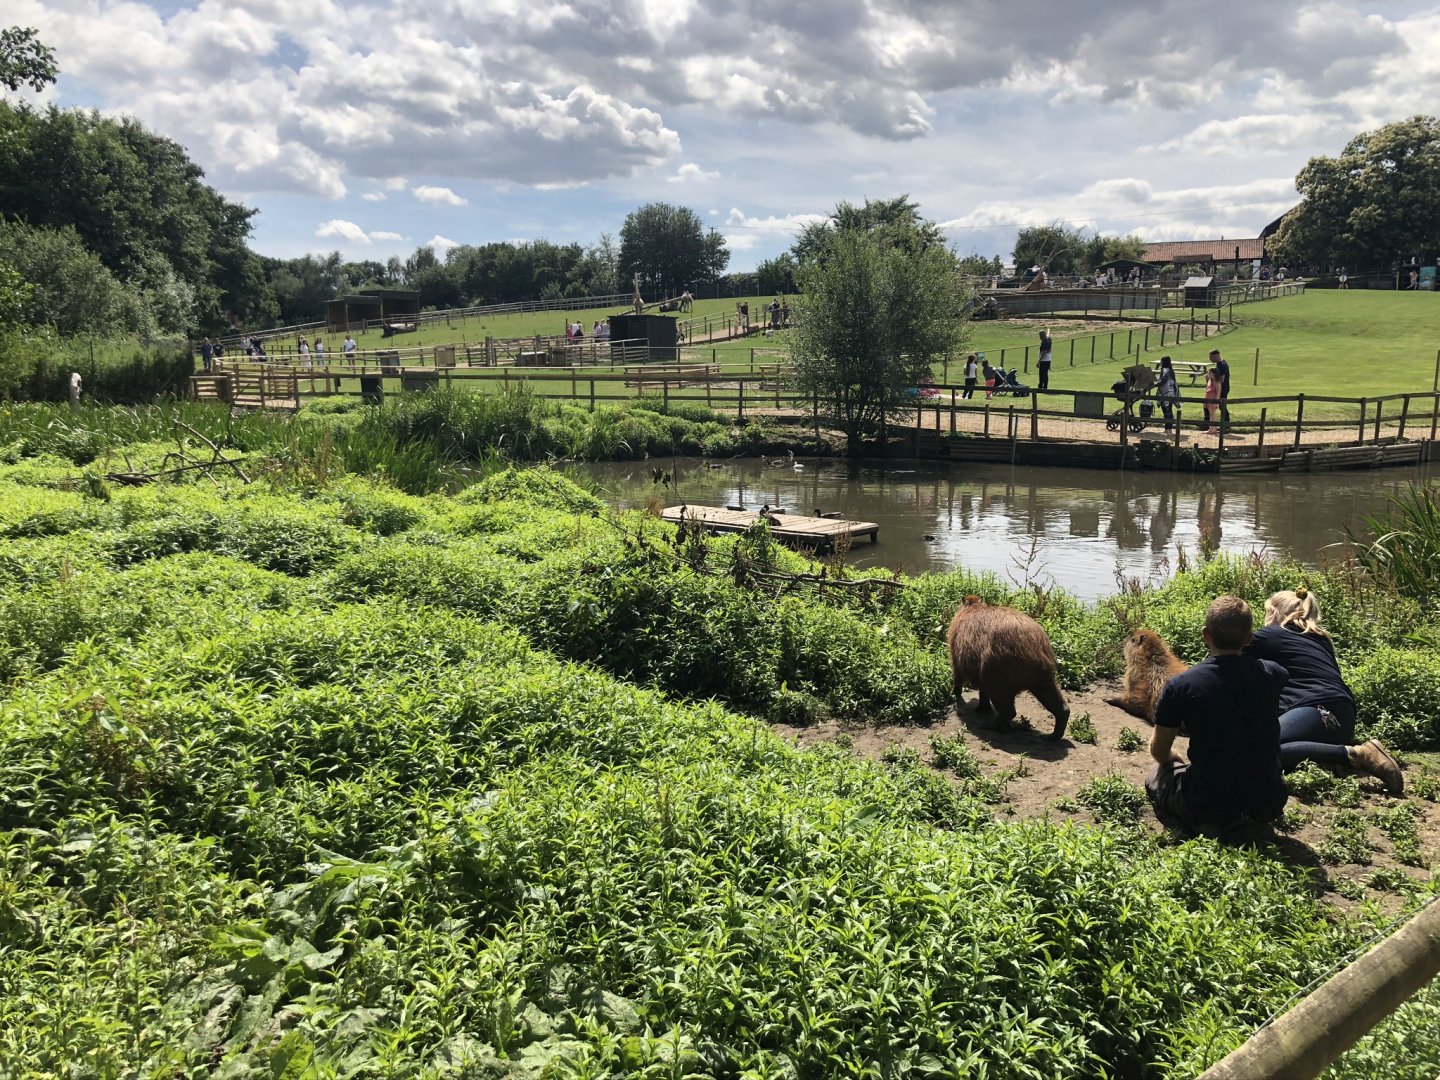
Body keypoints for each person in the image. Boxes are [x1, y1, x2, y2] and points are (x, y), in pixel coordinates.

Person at [1145, 596, 1289, 837]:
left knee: (1156, 775)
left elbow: (1159, 751)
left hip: (1206, 800)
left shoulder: (1182, 685)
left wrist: (1173, 759)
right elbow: (1279, 674)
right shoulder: (1273, 674)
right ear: (1249, 639)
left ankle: (1210, 821)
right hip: (1270, 800)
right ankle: (1242, 819)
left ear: (1206, 635)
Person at [1244, 589, 1403, 792]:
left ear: (1275, 611)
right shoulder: (1320, 638)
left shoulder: (1270, 635)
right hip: (1344, 718)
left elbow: (1226, 658)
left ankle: (1361, 754)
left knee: (1256, 751)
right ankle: (1331, 756)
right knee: (1267, 752)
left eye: (1267, 611)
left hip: (1316, 710)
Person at [1156, 355, 1180, 433]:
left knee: (1166, 411)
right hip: (1171, 393)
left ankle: (1167, 429)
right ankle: (1169, 429)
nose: (1160, 363)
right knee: (1169, 410)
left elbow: (1162, 381)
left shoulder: (1164, 370)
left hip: (1165, 393)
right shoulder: (1171, 371)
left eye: (1161, 361)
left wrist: (1154, 384)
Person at [1210, 348, 1230, 433]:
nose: (1210, 359)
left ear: (1216, 356)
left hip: (1223, 388)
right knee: (1221, 406)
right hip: (1221, 388)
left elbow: (1222, 379)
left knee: (1222, 406)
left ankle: (1226, 424)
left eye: (1211, 357)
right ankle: (1225, 424)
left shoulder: (1222, 365)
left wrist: (1214, 384)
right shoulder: (1220, 363)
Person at [1201, 366, 1220, 433]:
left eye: (1210, 373)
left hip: (1213, 400)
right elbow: (1207, 390)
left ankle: (1212, 429)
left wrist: (1216, 402)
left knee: (1212, 415)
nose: (1208, 374)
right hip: (1208, 399)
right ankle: (1213, 429)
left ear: (1214, 374)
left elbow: (1218, 393)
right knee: (1211, 414)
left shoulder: (1216, 382)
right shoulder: (1210, 381)